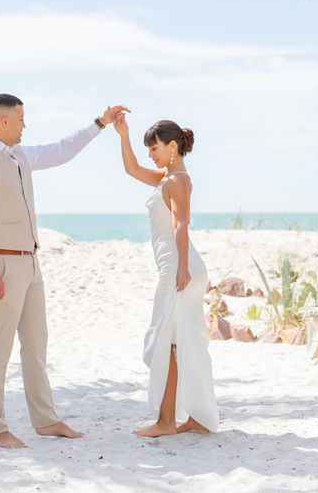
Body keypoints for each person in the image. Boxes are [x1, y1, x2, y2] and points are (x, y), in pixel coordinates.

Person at [0, 93, 128, 449]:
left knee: (36, 344)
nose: (26, 125)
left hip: (30, 262)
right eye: (21, 120)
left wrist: (99, 124)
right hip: (3, 264)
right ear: (4, 121)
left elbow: (61, 150)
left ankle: (46, 420)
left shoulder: (21, 155)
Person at [112, 113, 218, 436]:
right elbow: (131, 169)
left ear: (172, 146)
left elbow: (179, 225)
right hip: (177, 265)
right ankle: (196, 417)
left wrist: (182, 267)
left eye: (154, 147)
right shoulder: (167, 178)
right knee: (183, 342)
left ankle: (166, 421)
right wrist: (123, 134)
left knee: (166, 341)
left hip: (177, 268)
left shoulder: (175, 181)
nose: (150, 154)